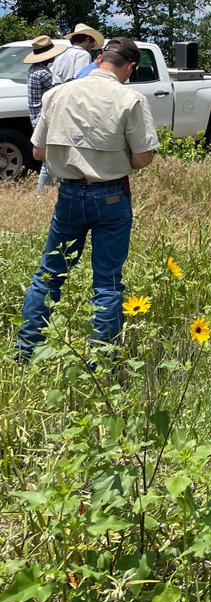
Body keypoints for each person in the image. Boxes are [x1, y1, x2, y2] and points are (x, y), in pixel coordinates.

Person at [15, 38, 159, 361]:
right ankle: (102, 361)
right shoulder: (131, 99)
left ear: (98, 59)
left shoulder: (58, 94)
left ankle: (26, 352)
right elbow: (143, 159)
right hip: (110, 196)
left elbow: (38, 152)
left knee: (48, 275)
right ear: (130, 67)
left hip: (68, 194)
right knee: (107, 283)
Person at [23, 35, 68, 193]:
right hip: (44, 119)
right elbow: (58, 91)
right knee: (50, 160)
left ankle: (45, 193)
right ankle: (42, 193)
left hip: (36, 117)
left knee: (50, 158)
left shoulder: (33, 70)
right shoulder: (44, 73)